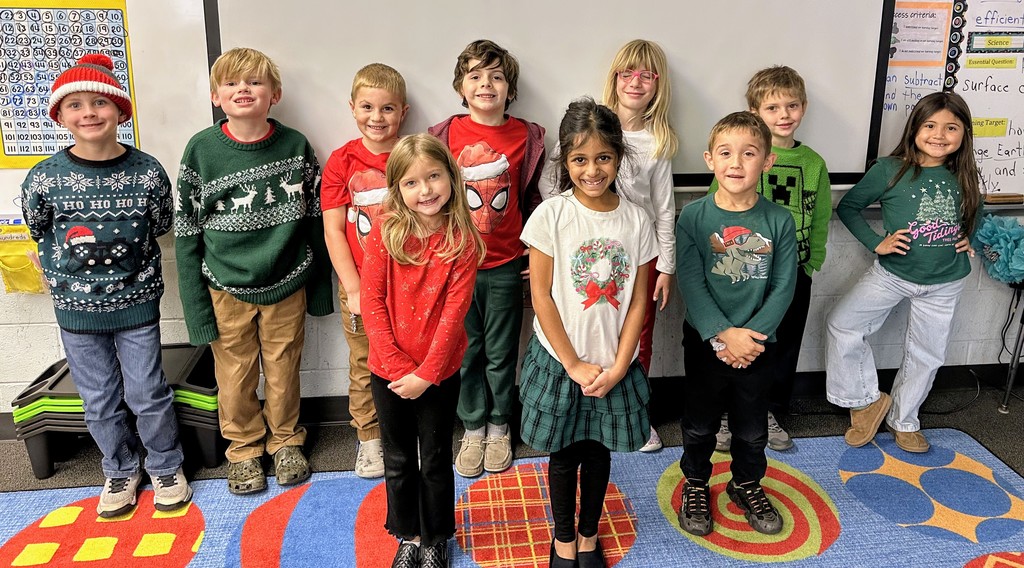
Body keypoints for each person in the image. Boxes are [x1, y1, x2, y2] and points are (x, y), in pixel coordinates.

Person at [21, 53, 191, 517]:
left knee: (147, 392)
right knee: (98, 398)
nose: (89, 112)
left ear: (119, 111)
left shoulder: (147, 171)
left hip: (136, 305)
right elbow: (40, 230)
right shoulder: (44, 178)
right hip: (76, 312)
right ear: (60, 116)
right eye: (75, 105)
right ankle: (119, 468)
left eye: (100, 101)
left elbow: (160, 224)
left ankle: (166, 465)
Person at [175, 47, 333, 495]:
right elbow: (187, 236)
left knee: (283, 368)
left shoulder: (296, 146)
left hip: (286, 283)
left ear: (274, 94)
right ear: (215, 96)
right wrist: (197, 311)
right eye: (231, 83)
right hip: (225, 288)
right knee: (235, 373)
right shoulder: (201, 151)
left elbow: (316, 222)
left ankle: (285, 440)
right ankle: (243, 449)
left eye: (255, 82)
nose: (243, 90)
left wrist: (320, 288)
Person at [520, 98, 657, 568]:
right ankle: (561, 540)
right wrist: (573, 363)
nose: (592, 170)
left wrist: (621, 365)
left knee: (599, 456)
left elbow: (639, 299)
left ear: (618, 157)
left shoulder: (637, 219)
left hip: (612, 363)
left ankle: (587, 536)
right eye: (580, 159)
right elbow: (541, 296)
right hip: (562, 361)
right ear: (566, 161)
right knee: (564, 456)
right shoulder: (551, 217)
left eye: (603, 157)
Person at [826, 91, 981, 454]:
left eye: (951, 127)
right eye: (930, 125)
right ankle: (865, 402)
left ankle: (905, 419)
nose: (939, 134)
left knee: (928, 352)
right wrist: (875, 242)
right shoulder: (888, 169)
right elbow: (849, 207)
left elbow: (977, 207)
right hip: (892, 273)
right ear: (914, 127)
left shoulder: (964, 173)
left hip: (946, 282)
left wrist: (967, 236)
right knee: (843, 324)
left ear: (964, 134)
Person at [361, 133, 484, 568]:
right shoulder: (384, 233)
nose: (425, 190)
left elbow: (454, 316)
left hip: (439, 372)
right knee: (397, 458)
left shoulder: (463, 241)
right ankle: (409, 535)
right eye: (411, 183)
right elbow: (371, 302)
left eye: (433, 177)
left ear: (451, 177)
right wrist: (398, 369)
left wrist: (426, 374)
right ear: (397, 189)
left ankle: (435, 537)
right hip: (388, 371)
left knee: (434, 458)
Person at [675, 111, 796, 537]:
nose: (736, 163)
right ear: (710, 159)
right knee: (700, 423)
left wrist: (751, 338)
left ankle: (746, 483)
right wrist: (722, 335)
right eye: (726, 153)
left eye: (749, 153)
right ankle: (695, 483)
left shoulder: (780, 220)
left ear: (767, 162)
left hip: (759, 345)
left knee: (751, 426)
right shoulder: (693, 218)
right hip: (707, 341)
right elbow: (690, 281)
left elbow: (784, 286)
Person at [428, 39, 545, 478]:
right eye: (475, 76)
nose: (486, 84)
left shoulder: (527, 136)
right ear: (461, 86)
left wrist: (536, 247)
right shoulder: (442, 135)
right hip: (455, 266)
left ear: (510, 89)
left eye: (497, 76)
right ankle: (472, 427)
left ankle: (500, 426)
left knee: (500, 353)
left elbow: (533, 198)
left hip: (505, 265)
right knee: (466, 351)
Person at [711, 66, 831, 452]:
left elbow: (822, 216)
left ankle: (770, 412)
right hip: (745, 273)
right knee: (739, 342)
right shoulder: (739, 157)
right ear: (754, 111)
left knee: (782, 346)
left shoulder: (813, 163)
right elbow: (719, 208)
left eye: (792, 105)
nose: (783, 114)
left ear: (804, 107)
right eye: (772, 107)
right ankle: (728, 414)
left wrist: (811, 262)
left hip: (793, 272)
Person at [321, 63, 409, 479]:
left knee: (409, 355)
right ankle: (370, 439)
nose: (378, 117)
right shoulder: (341, 162)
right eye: (368, 107)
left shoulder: (413, 156)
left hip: (410, 285)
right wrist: (353, 287)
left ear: (403, 112)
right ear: (352, 108)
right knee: (365, 362)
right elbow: (334, 230)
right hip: (362, 285)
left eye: (388, 108)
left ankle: (403, 435)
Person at [602, 39, 679, 453]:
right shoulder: (592, 126)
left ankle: (633, 414)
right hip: (594, 255)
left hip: (640, 257)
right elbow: (552, 180)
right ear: (614, 79)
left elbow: (665, 210)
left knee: (639, 336)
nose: (636, 82)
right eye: (628, 72)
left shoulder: (658, 141)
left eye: (647, 75)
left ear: (657, 84)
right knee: (594, 330)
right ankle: (596, 410)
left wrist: (666, 266)